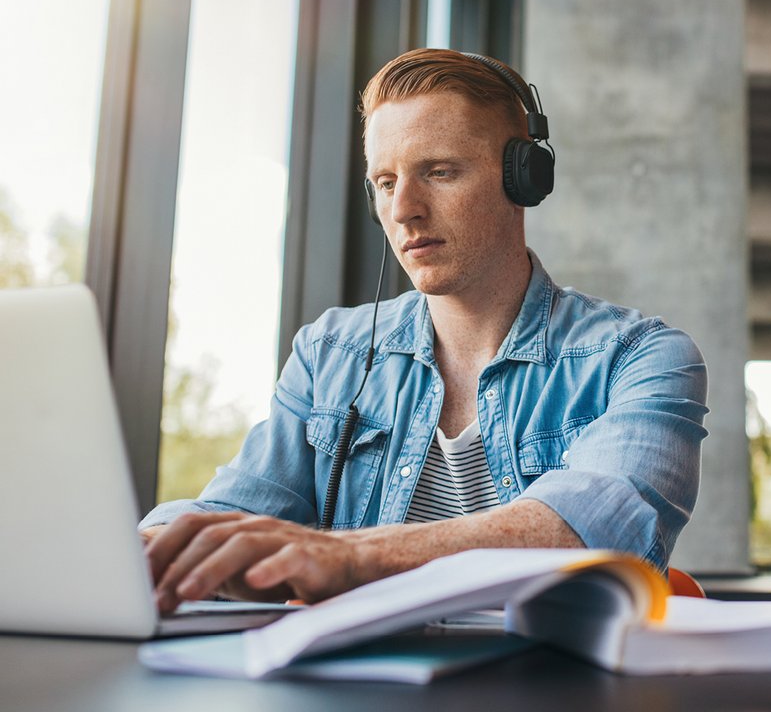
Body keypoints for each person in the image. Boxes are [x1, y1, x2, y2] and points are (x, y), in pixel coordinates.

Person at [141, 48, 708, 613]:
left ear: (523, 179)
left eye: (439, 172)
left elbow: (596, 531)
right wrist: (145, 548)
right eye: (385, 183)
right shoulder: (329, 353)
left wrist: (346, 557)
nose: (404, 209)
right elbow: (234, 513)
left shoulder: (642, 357)